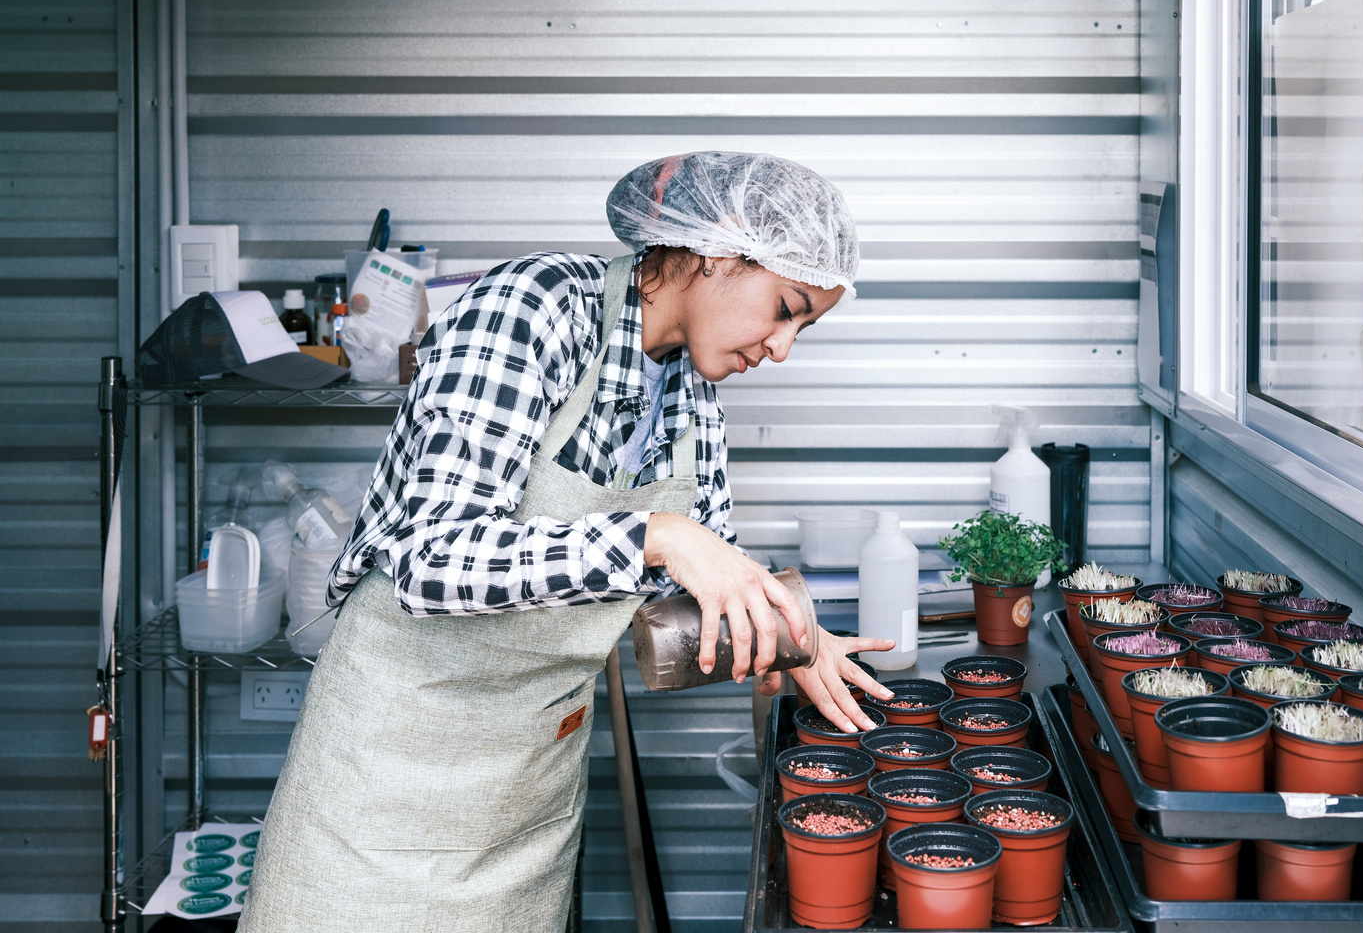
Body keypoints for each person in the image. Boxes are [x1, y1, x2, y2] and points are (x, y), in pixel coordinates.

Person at [239, 152, 894, 932]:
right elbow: (429, 558)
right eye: (785, 307)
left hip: (526, 799)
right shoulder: (535, 306)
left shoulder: (694, 401)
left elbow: (699, 590)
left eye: (803, 328)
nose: (782, 347)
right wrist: (656, 534)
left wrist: (792, 638)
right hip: (386, 789)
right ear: (718, 253)